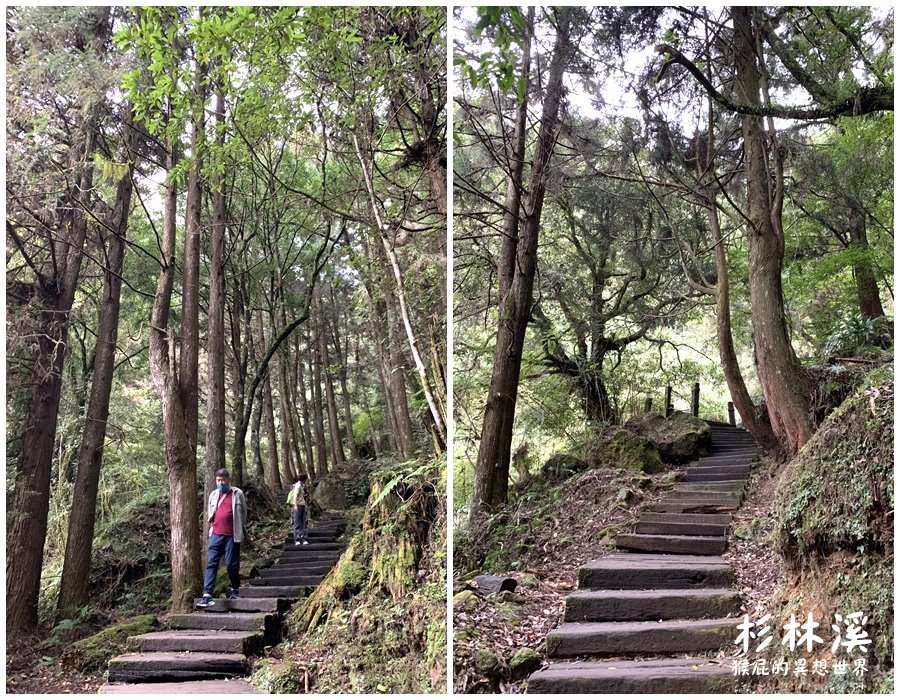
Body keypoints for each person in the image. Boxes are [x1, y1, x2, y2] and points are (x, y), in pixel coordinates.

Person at [197, 468, 247, 607]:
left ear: (228, 479)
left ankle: (235, 588)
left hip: (232, 535)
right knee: (211, 563)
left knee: (231, 564)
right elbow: (210, 512)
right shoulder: (213, 494)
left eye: (223, 480)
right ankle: (207, 595)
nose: (221, 483)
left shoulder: (237, 494)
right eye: (218, 480)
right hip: (216, 535)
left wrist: (240, 528)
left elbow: (243, 512)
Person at [288, 473, 310, 546]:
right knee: (297, 523)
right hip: (298, 506)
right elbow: (295, 495)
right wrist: (295, 505)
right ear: (304, 479)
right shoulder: (297, 485)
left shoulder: (301, 485)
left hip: (302, 505)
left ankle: (304, 539)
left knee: (303, 522)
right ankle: (297, 539)